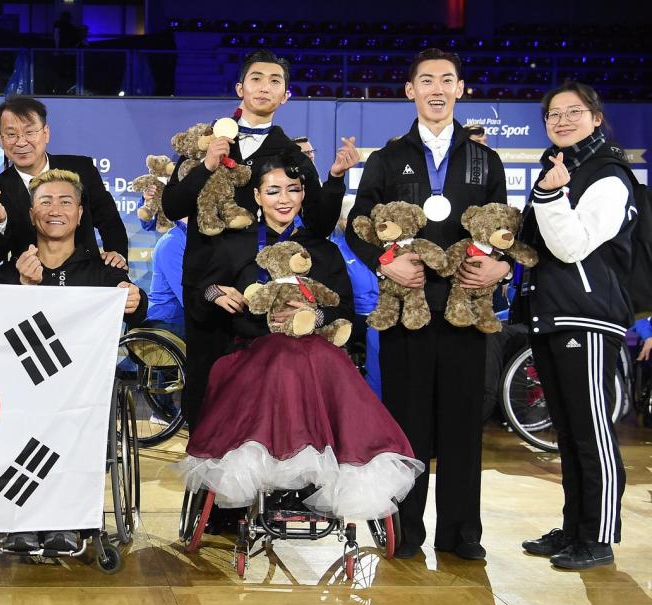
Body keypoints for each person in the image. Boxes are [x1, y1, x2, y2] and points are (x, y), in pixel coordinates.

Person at [181, 157, 421, 518]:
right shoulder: (233, 245)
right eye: (273, 190)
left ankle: (338, 468)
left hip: (316, 355)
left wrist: (316, 316)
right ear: (258, 197)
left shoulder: (323, 249)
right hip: (252, 354)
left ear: (303, 193)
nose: (284, 199)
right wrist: (214, 293)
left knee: (323, 360)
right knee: (284, 357)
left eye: (293, 190)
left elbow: (345, 314)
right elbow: (201, 295)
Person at [345, 48, 509, 561]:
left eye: (447, 80)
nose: (437, 89)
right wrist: (384, 261)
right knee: (407, 424)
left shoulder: (486, 158)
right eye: (426, 80)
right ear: (409, 90)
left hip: (465, 310)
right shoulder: (388, 158)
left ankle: (462, 534)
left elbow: (506, 226)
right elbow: (360, 224)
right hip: (406, 310)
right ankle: (404, 531)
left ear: (461, 89)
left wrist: (501, 265)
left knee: (463, 426)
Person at [161, 49, 358, 427]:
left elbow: (317, 225)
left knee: (273, 408)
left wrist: (333, 179)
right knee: (209, 400)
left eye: (275, 82)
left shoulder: (293, 154)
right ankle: (210, 481)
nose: (264, 87)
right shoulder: (204, 140)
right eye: (256, 79)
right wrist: (207, 166)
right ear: (240, 87)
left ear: (286, 96)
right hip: (210, 285)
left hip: (267, 291)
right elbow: (172, 207)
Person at [0, 169, 146, 552]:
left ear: (79, 214)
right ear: (30, 214)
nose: (54, 210)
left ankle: (69, 518)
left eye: (65, 202)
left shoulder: (105, 273)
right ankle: (19, 518)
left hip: (82, 398)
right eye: (45, 201)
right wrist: (23, 291)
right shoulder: (4, 276)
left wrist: (134, 299)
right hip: (21, 394)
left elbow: (137, 312)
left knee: (76, 415)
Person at [514, 81, 633, 570]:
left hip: (587, 317)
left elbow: (571, 247)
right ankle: (574, 526)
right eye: (553, 114)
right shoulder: (561, 170)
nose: (561, 120)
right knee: (568, 430)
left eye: (573, 112)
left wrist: (550, 195)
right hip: (552, 314)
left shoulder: (607, 174)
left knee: (592, 432)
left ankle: (598, 536)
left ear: (597, 118)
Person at [0, 96, 128, 268]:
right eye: (11, 134)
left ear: (46, 133)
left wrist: (118, 257)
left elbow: (110, 222)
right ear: (1, 140)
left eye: (30, 132)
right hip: (29, 284)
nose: (21, 142)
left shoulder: (82, 170)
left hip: (85, 279)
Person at [333, 195, 382, 396]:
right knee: (375, 333)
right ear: (345, 222)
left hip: (381, 313)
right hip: (353, 316)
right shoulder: (335, 249)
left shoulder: (382, 247)